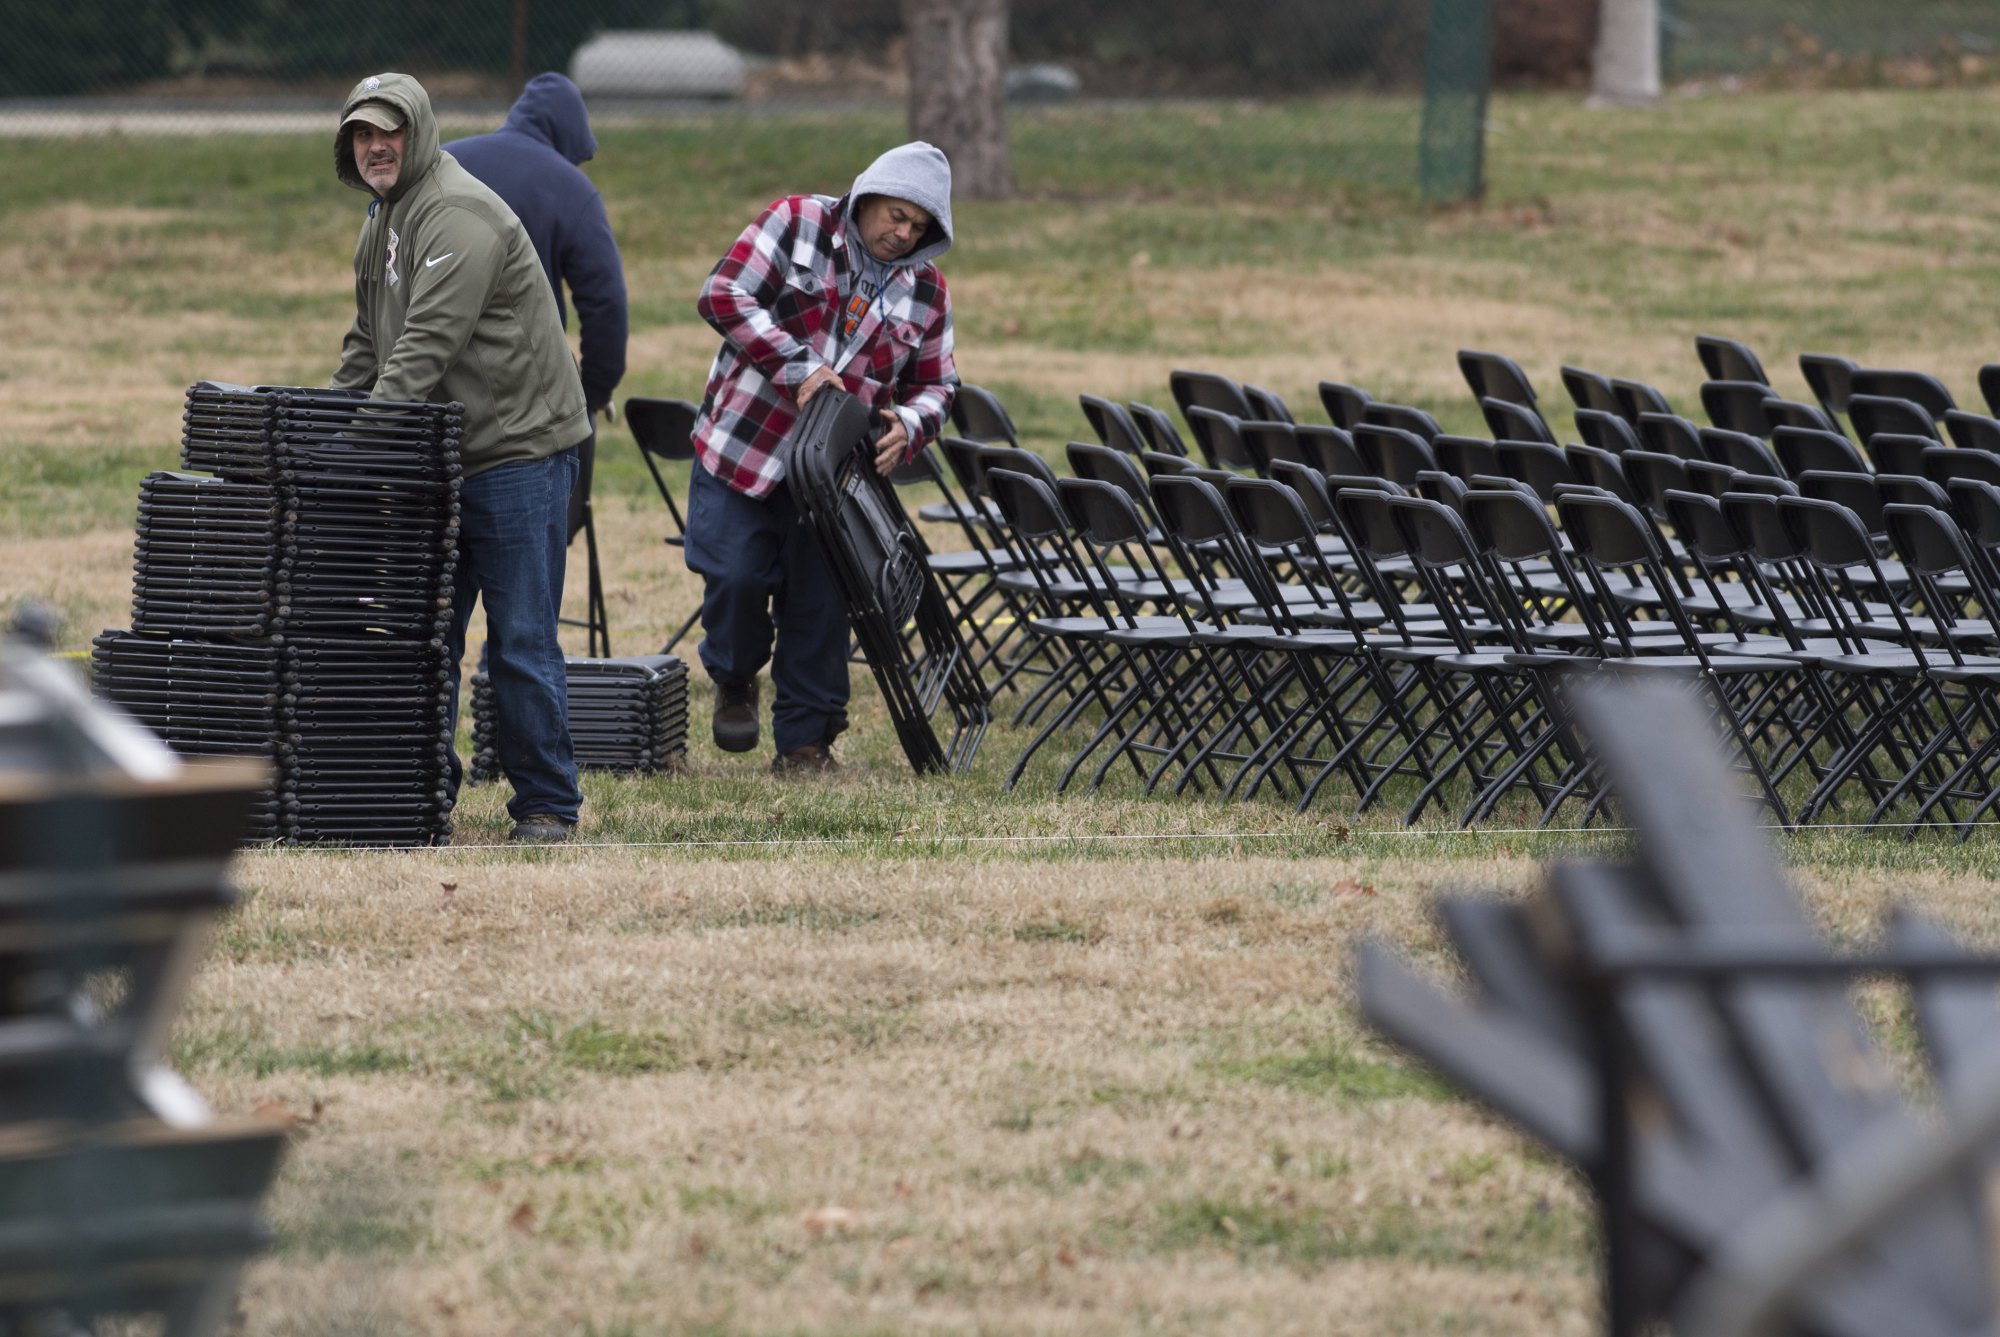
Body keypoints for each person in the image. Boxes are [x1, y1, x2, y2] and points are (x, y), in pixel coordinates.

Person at [330, 72, 589, 844]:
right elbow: (366, 347)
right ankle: (420, 798)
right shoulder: (385, 219)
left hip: (517, 451)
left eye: (391, 132)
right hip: (440, 454)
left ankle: (547, 804)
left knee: (519, 636)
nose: (377, 147)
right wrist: (315, 428)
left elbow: (418, 357)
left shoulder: (459, 215)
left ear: (420, 133)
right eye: (362, 135)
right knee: (428, 636)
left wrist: (350, 450)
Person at [688, 141, 957, 774]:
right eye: (895, 215)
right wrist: (798, 366)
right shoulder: (796, 222)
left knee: (822, 604)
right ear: (867, 197)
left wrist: (912, 424)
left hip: (833, 478)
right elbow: (723, 295)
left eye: (918, 227)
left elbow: (940, 384)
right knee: (735, 576)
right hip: (743, 451)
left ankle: (806, 746)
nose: (902, 233)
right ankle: (734, 675)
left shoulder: (927, 291)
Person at [444, 72, 627, 424]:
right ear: (572, 134)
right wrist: (594, 391)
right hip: (528, 387)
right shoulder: (572, 188)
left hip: (433, 370)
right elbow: (605, 300)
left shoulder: (445, 163)